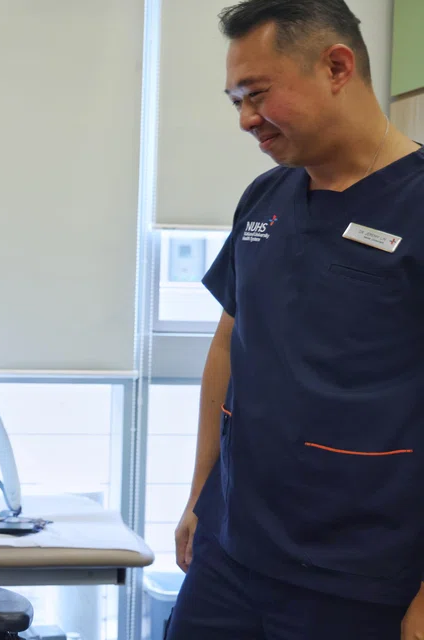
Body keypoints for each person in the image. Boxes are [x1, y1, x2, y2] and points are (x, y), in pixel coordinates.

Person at [168, 1, 424, 639]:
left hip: (360, 578)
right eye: (235, 101)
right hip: (231, 555)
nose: (245, 120)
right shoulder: (266, 197)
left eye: (257, 94)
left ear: (336, 67)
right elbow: (229, 343)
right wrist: (200, 493)